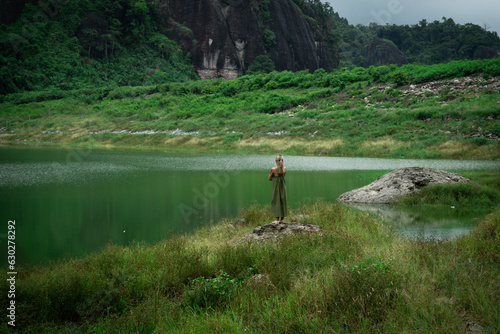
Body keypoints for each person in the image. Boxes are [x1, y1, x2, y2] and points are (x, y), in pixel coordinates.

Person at [268, 154, 288, 223]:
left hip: (276, 187)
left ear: (275, 161)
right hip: (283, 186)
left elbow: (269, 178)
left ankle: (277, 220)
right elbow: (283, 177)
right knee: (283, 200)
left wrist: (275, 179)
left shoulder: (273, 169)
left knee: (276, 200)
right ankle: (282, 219)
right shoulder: (284, 168)